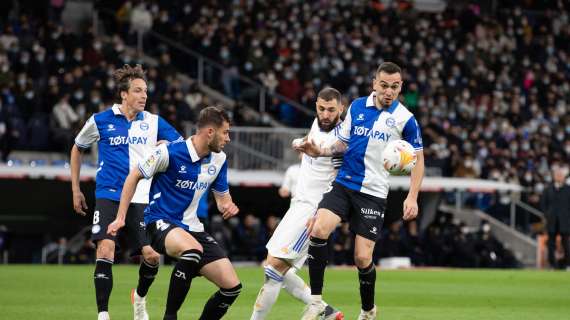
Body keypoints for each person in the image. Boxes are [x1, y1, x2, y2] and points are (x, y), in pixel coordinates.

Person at [296, 62, 424, 320]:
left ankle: (368, 311)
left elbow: (419, 159)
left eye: (395, 87)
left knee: (362, 258)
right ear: (374, 84)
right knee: (319, 229)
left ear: (401, 87)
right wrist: (320, 151)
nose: (389, 91)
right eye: (384, 85)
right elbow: (342, 143)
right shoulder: (356, 107)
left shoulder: (406, 120)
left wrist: (412, 196)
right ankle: (316, 302)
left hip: (373, 193)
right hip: (344, 183)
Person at [107, 106, 242, 320]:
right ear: (209, 132)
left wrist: (228, 205)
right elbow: (133, 176)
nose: (228, 138)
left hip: (193, 228)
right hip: (160, 220)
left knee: (232, 287)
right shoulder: (169, 152)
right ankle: (170, 316)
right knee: (192, 250)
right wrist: (121, 216)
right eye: (225, 132)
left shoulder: (220, 159)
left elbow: (222, 199)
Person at [70, 64, 182, 320]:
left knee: (151, 256)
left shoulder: (154, 122)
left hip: (142, 197)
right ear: (123, 94)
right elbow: (77, 148)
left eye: (146, 91)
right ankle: (103, 314)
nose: (144, 96)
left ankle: (139, 298)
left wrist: (166, 147)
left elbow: (181, 147)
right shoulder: (100, 120)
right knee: (105, 248)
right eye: (138, 91)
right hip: (108, 194)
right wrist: (76, 189)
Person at [250, 87, 345, 320]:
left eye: (331, 110)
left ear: (341, 109)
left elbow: (339, 178)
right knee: (272, 265)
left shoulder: (342, 140)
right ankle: (324, 309)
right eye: (321, 109)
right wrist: (301, 143)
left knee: (273, 270)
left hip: (312, 210)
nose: (325, 114)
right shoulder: (317, 124)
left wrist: (324, 213)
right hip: (298, 205)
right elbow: (313, 147)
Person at [540, 165, 570, 269]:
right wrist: (546, 214)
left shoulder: (568, 189)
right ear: (554, 176)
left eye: (561, 175)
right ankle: (552, 264)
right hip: (552, 220)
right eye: (557, 175)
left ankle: (567, 264)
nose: (559, 177)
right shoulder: (548, 189)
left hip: (565, 221)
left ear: (564, 177)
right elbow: (543, 203)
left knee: (566, 243)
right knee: (551, 244)